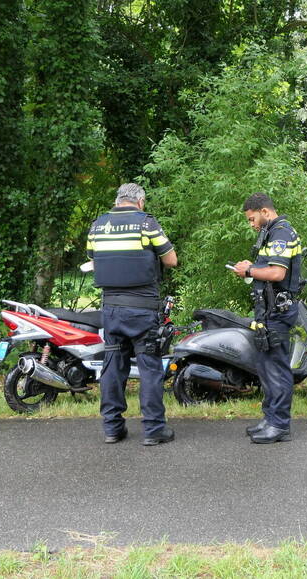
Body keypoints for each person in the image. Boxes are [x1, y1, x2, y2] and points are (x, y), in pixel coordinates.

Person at [86, 183, 178, 445]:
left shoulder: (98, 225)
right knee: (149, 368)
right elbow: (171, 260)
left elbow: (92, 257)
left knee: (113, 368)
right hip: (142, 308)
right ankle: (153, 430)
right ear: (141, 202)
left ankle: (113, 428)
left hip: (111, 308)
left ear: (117, 200)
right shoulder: (146, 223)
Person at [231, 193, 303, 444]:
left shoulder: (281, 233)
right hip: (269, 312)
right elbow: (268, 269)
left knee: (277, 370)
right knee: (266, 367)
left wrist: (249, 270)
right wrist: (252, 266)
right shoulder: (272, 233)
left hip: (279, 313)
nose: (251, 224)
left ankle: (280, 425)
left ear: (264, 211)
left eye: (252, 219)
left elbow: (276, 272)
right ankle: (270, 419)